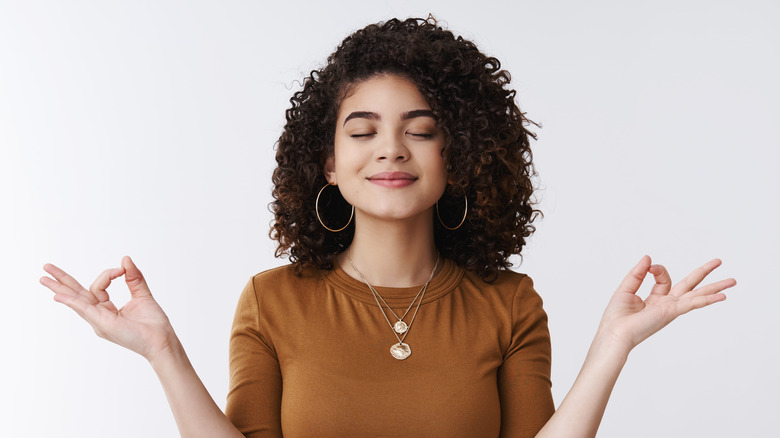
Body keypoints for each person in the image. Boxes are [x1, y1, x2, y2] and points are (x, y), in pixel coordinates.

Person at [39, 17, 735, 438]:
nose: (392, 150)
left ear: (457, 156)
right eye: (363, 131)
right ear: (328, 163)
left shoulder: (509, 303)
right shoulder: (272, 300)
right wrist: (162, 351)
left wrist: (612, 346)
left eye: (421, 131)